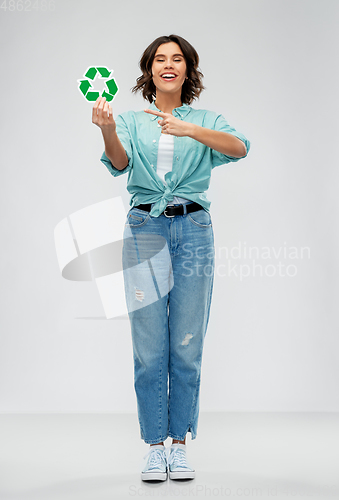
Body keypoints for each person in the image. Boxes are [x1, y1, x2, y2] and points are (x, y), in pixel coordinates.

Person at [92, 34, 250, 482]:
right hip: (145, 229)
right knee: (148, 347)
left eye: (176, 59)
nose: (168, 64)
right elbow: (119, 164)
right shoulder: (130, 119)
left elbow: (240, 147)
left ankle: (179, 444)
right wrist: (106, 128)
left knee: (187, 343)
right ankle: (153, 446)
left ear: (187, 70)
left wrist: (189, 129)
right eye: (160, 58)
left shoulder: (205, 118)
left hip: (194, 230)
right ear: (150, 70)